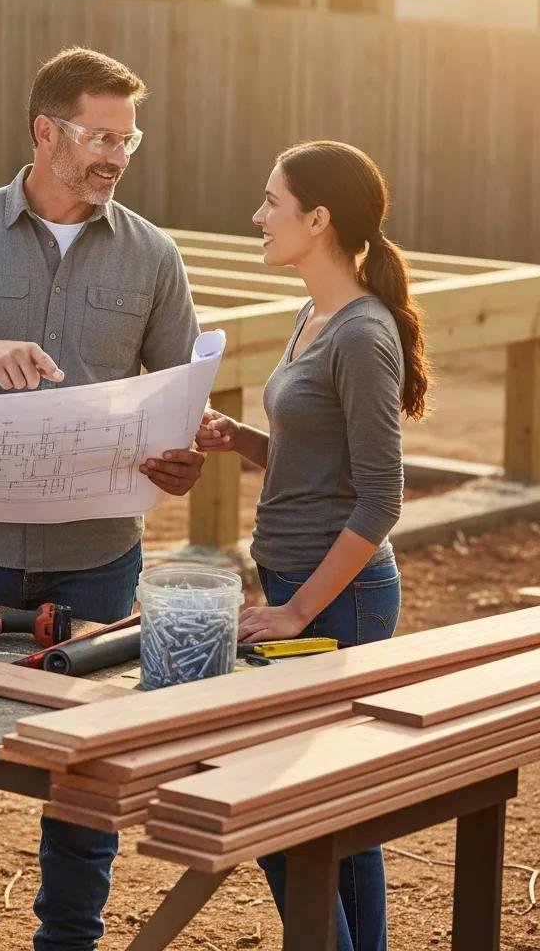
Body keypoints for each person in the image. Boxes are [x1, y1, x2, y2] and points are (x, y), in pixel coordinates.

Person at [0, 46, 206, 951]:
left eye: (127, 140)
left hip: (97, 559)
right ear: (45, 131)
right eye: (99, 136)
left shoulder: (154, 255)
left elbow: (179, 398)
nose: (115, 156)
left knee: (85, 779)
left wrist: (180, 459)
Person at [197, 140, 430, 951]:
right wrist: (243, 440)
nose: (258, 217)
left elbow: (382, 499)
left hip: (341, 601)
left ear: (319, 218)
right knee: (332, 817)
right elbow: (319, 459)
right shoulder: (315, 317)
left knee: (289, 811)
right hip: (299, 582)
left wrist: (297, 611)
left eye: (272, 202)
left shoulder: (362, 334)